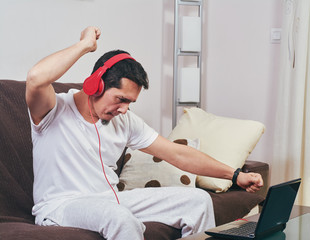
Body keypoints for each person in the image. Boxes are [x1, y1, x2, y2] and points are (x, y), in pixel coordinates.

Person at [26, 26, 263, 240]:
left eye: (130, 102)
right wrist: (85, 45)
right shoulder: (52, 109)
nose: (124, 109)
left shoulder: (124, 120)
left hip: (110, 200)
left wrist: (234, 175)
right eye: (121, 99)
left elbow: (178, 154)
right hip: (63, 206)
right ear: (95, 83)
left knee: (199, 201)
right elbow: (36, 78)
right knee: (118, 217)